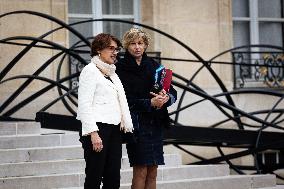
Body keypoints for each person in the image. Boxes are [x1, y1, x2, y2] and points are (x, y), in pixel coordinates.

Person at [116, 28, 177, 189]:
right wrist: (150, 103)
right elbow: (124, 102)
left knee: (153, 171)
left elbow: (173, 92)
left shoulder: (155, 66)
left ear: (145, 46)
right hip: (136, 126)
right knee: (141, 170)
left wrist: (165, 98)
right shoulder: (120, 68)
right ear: (127, 46)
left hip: (155, 124)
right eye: (133, 43)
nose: (137, 47)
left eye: (140, 43)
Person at [76, 33, 133, 189]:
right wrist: (93, 134)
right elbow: (84, 104)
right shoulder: (90, 70)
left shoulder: (112, 74)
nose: (115, 52)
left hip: (114, 129)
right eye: (111, 48)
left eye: (117, 49)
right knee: (94, 176)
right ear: (99, 50)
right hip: (97, 130)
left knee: (113, 177)